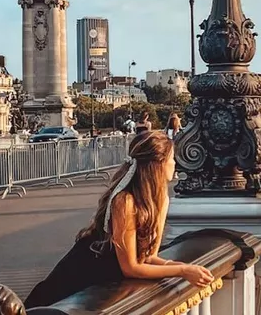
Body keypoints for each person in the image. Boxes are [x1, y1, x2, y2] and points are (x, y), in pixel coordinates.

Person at [24, 132, 213, 308]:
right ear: (158, 163)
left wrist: (182, 267)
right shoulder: (125, 201)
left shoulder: (161, 199)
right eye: (172, 158)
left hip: (102, 278)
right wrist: (182, 272)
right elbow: (130, 267)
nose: (175, 163)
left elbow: (148, 257)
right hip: (80, 274)